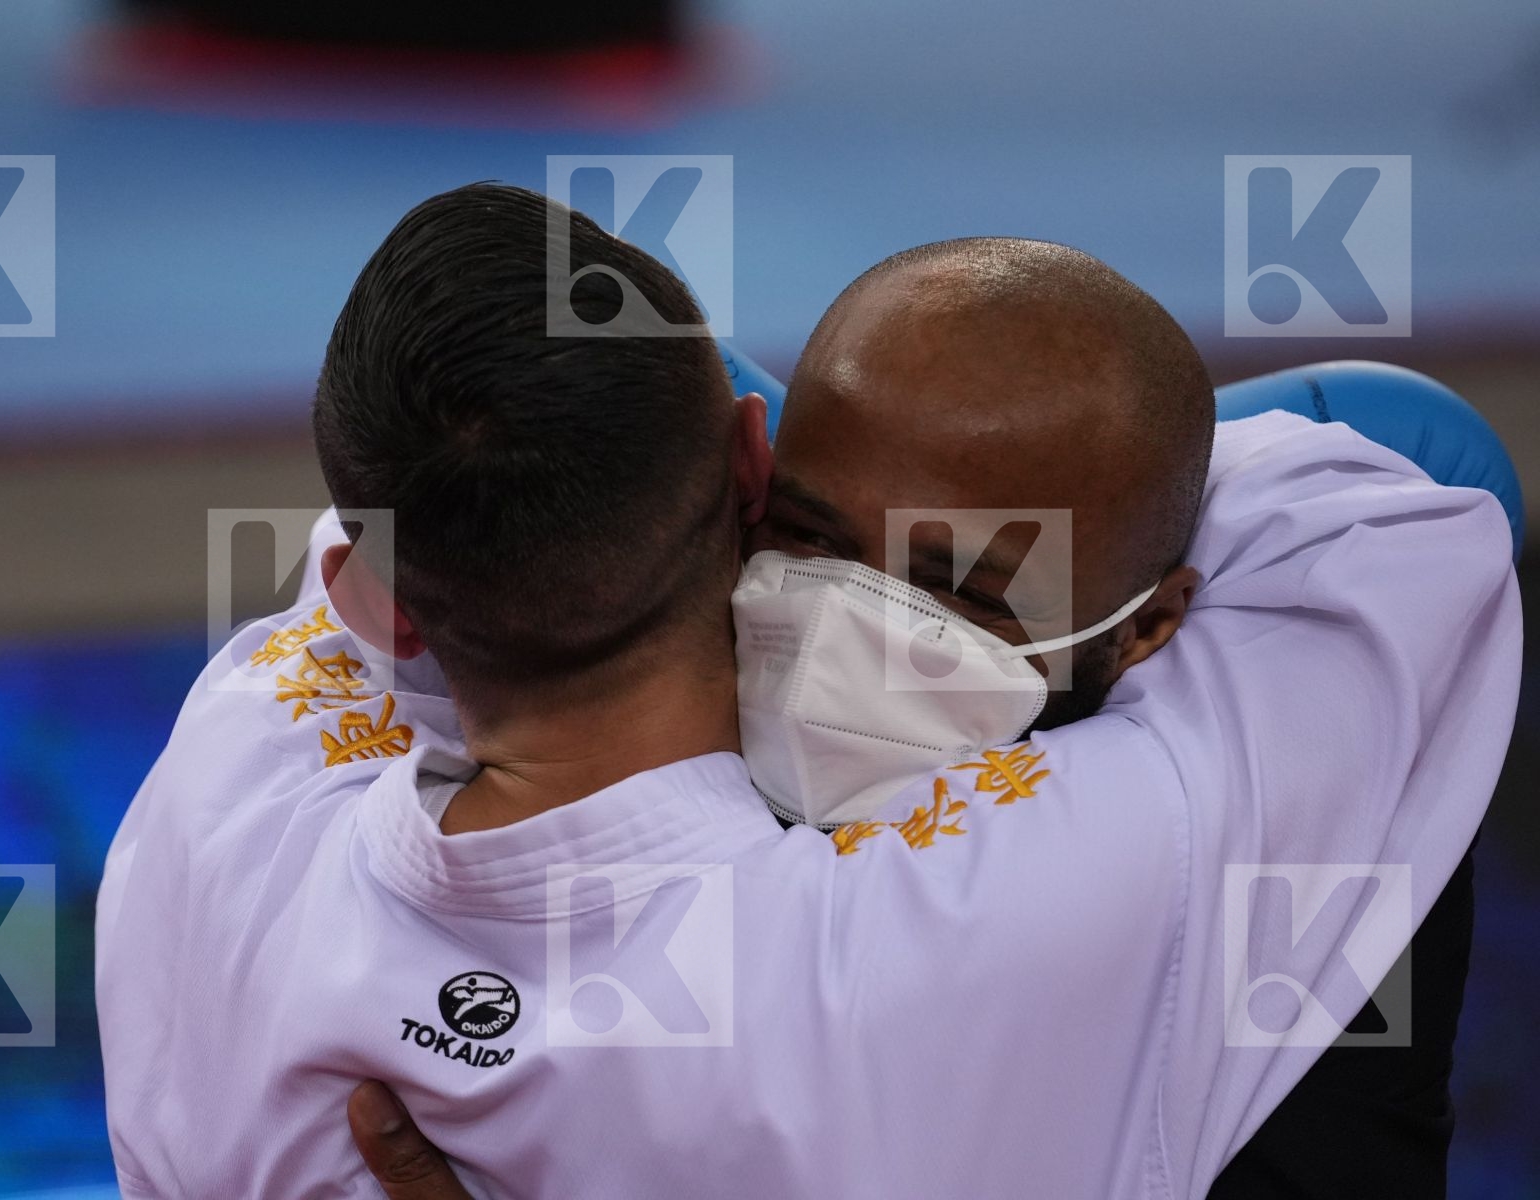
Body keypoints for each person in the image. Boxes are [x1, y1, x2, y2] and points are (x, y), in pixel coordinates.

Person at [95, 184, 1520, 1197]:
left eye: (958, 585)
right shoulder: (973, 930)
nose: (864, 626)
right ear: (751, 471)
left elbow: (418, 493)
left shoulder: (233, 784)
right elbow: (1413, 479)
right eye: (822, 539)